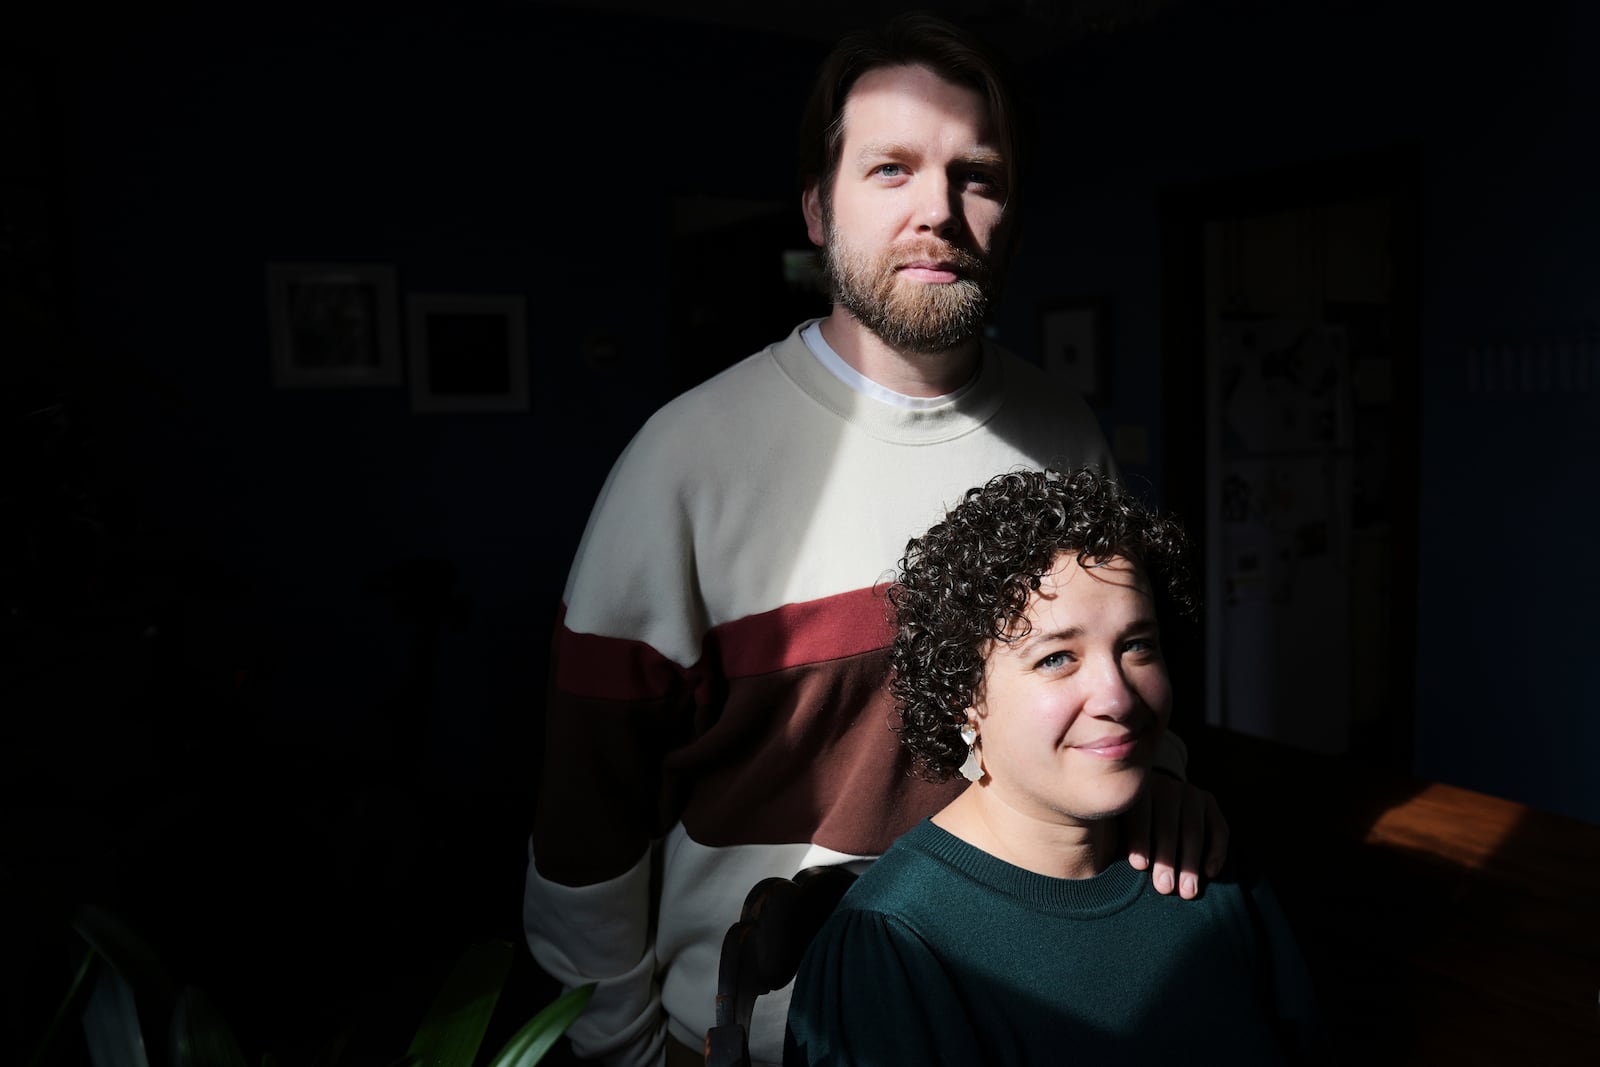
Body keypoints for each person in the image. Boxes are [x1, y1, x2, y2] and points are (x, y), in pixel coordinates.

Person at [523, 14, 1227, 1066]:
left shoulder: (1062, 429)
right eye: (891, 167)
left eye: (975, 176)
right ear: (818, 206)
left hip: (1017, 1009)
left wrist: (1161, 782)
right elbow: (588, 818)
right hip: (769, 1034)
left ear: (1011, 214)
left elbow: (1108, 673)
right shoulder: (683, 458)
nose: (936, 211)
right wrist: (622, 1050)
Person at [785, 467, 1326, 1065]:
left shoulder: (1211, 867)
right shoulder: (891, 949)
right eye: (1057, 658)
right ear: (964, 692)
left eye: (1137, 645)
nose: (1117, 697)